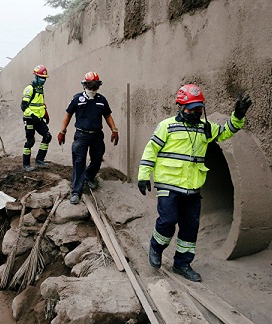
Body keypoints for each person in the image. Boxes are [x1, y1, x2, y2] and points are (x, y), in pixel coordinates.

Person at [137, 84, 252, 282]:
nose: (195, 112)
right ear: (180, 107)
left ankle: (182, 264)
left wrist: (238, 115)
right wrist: (143, 175)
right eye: (191, 108)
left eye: (199, 108)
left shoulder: (205, 129)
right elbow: (151, 150)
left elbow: (227, 131)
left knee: (190, 226)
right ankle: (156, 246)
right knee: (168, 221)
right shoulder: (167, 126)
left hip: (192, 188)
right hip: (168, 185)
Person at [58, 71, 119, 205]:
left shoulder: (102, 100)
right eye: (90, 85)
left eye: (95, 85)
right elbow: (68, 115)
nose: (92, 89)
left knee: (97, 158)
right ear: (84, 85)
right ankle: (76, 191)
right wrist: (62, 131)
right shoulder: (77, 99)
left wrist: (114, 129)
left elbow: (107, 115)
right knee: (79, 162)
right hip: (81, 135)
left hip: (97, 135)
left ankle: (89, 176)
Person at [21, 65, 51, 171]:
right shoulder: (30, 89)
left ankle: (39, 160)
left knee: (47, 136)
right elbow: (24, 106)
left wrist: (46, 115)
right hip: (29, 119)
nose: (43, 80)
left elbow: (40, 104)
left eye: (44, 78)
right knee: (30, 141)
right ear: (36, 77)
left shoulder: (40, 89)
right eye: (41, 78)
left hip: (38, 119)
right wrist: (32, 116)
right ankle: (26, 164)